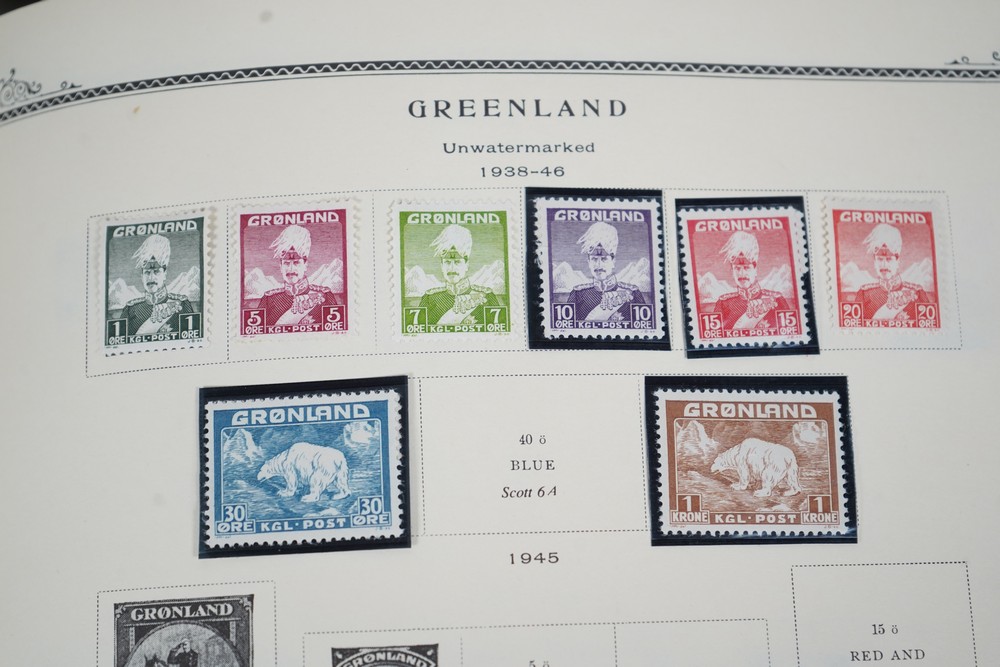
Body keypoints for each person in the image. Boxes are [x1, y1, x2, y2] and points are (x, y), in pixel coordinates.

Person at [256, 225, 340, 327]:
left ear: (305, 265)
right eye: (286, 263)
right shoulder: (269, 300)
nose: (291, 269)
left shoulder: (324, 296)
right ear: (280, 266)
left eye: (296, 263)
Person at [417, 224, 498, 324]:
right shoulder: (430, 299)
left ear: (466, 265)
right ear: (441, 266)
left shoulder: (486, 297)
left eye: (457, 262)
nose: (452, 268)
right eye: (447, 262)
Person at [566, 221, 645, 322]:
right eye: (594, 259)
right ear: (588, 262)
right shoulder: (578, 294)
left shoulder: (633, 293)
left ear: (613, 261)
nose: (599, 265)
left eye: (604, 259)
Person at [118, 234, 193, 335]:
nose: (151, 277)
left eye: (156, 271)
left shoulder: (181, 304)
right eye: (147, 272)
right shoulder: (131, 309)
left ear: (164, 274)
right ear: (142, 276)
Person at [854, 223, 930, 321]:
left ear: (897, 261)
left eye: (889, 259)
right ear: (874, 262)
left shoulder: (917, 293)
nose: (884, 264)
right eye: (880, 259)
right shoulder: (865, 294)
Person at [714, 231, 790, 330]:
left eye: (746, 268)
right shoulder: (724, 304)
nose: (741, 273)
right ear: (732, 271)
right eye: (737, 268)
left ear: (755, 270)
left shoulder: (776, 300)